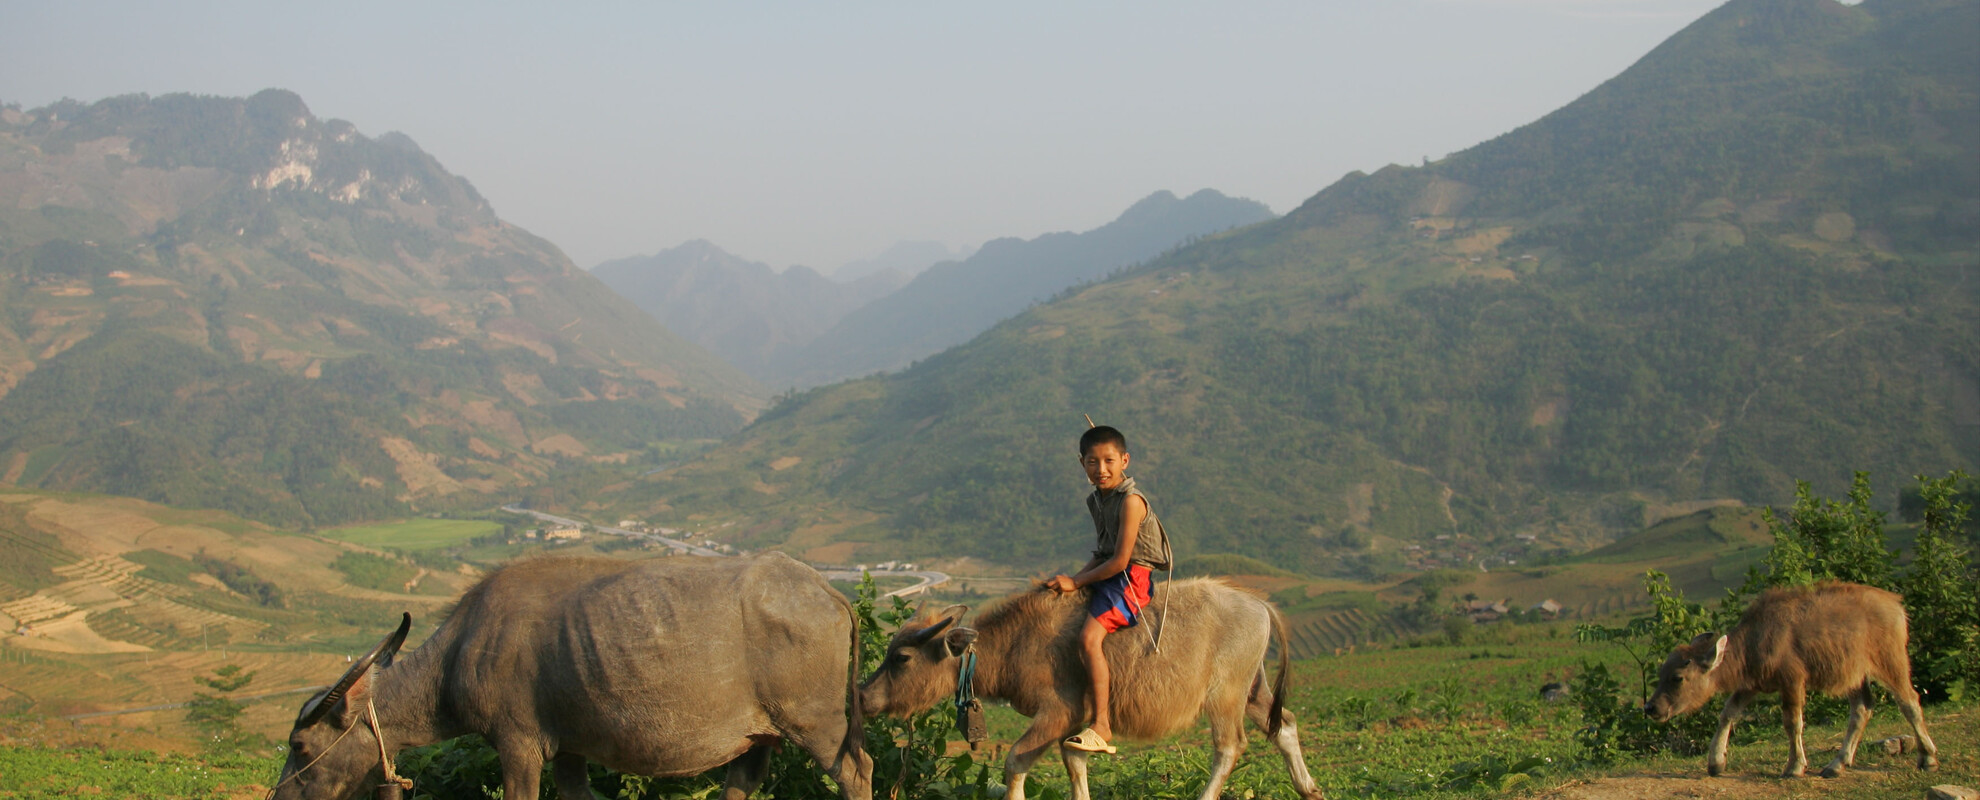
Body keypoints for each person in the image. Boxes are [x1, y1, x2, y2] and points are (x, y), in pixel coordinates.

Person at [1048, 424, 1172, 754]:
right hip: (1109, 573)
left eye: (1109, 461)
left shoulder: (1131, 502)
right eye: (1092, 462)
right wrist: (1070, 580)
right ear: (1082, 463)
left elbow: (1119, 561)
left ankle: (1102, 724)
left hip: (1132, 580)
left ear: (1125, 461)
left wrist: (1077, 581)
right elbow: (1102, 552)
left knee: (1089, 638)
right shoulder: (1098, 500)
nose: (1100, 469)